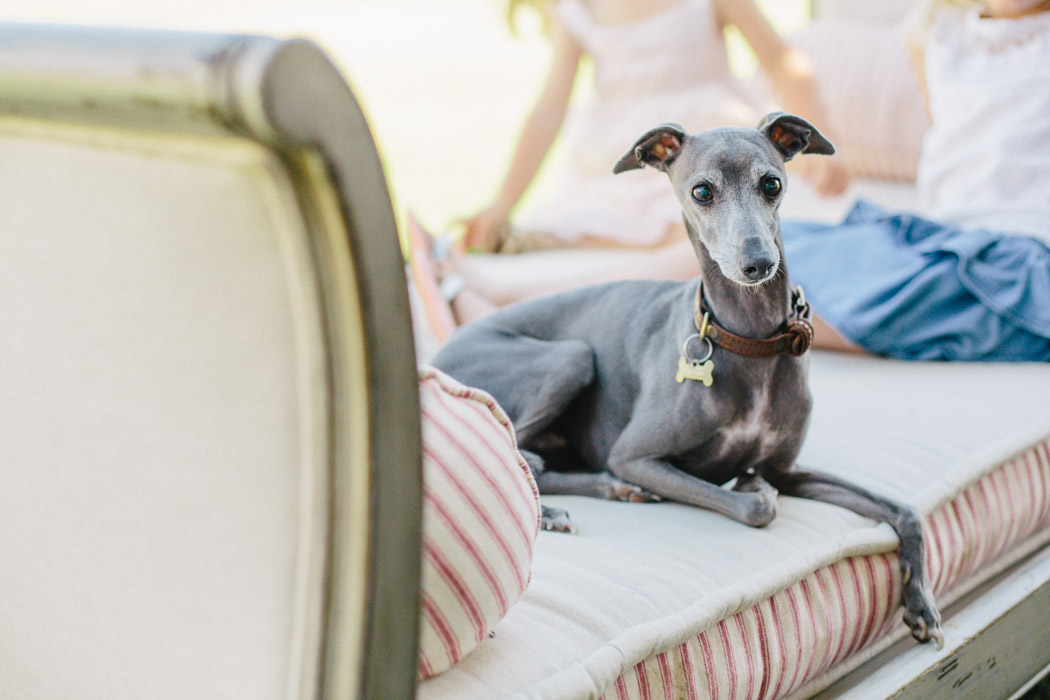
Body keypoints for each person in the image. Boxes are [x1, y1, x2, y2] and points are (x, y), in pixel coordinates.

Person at [410, 0, 850, 336]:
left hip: (710, 159)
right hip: (627, 167)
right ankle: (507, 259)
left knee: (702, 247)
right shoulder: (580, 8)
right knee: (575, 225)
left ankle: (509, 296)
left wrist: (822, 138)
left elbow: (781, 61)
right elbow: (548, 111)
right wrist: (502, 203)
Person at [781, 0, 1050, 361]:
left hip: (1028, 253)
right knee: (773, 243)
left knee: (920, 291)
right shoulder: (939, 33)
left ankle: (771, 317)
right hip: (943, 239)